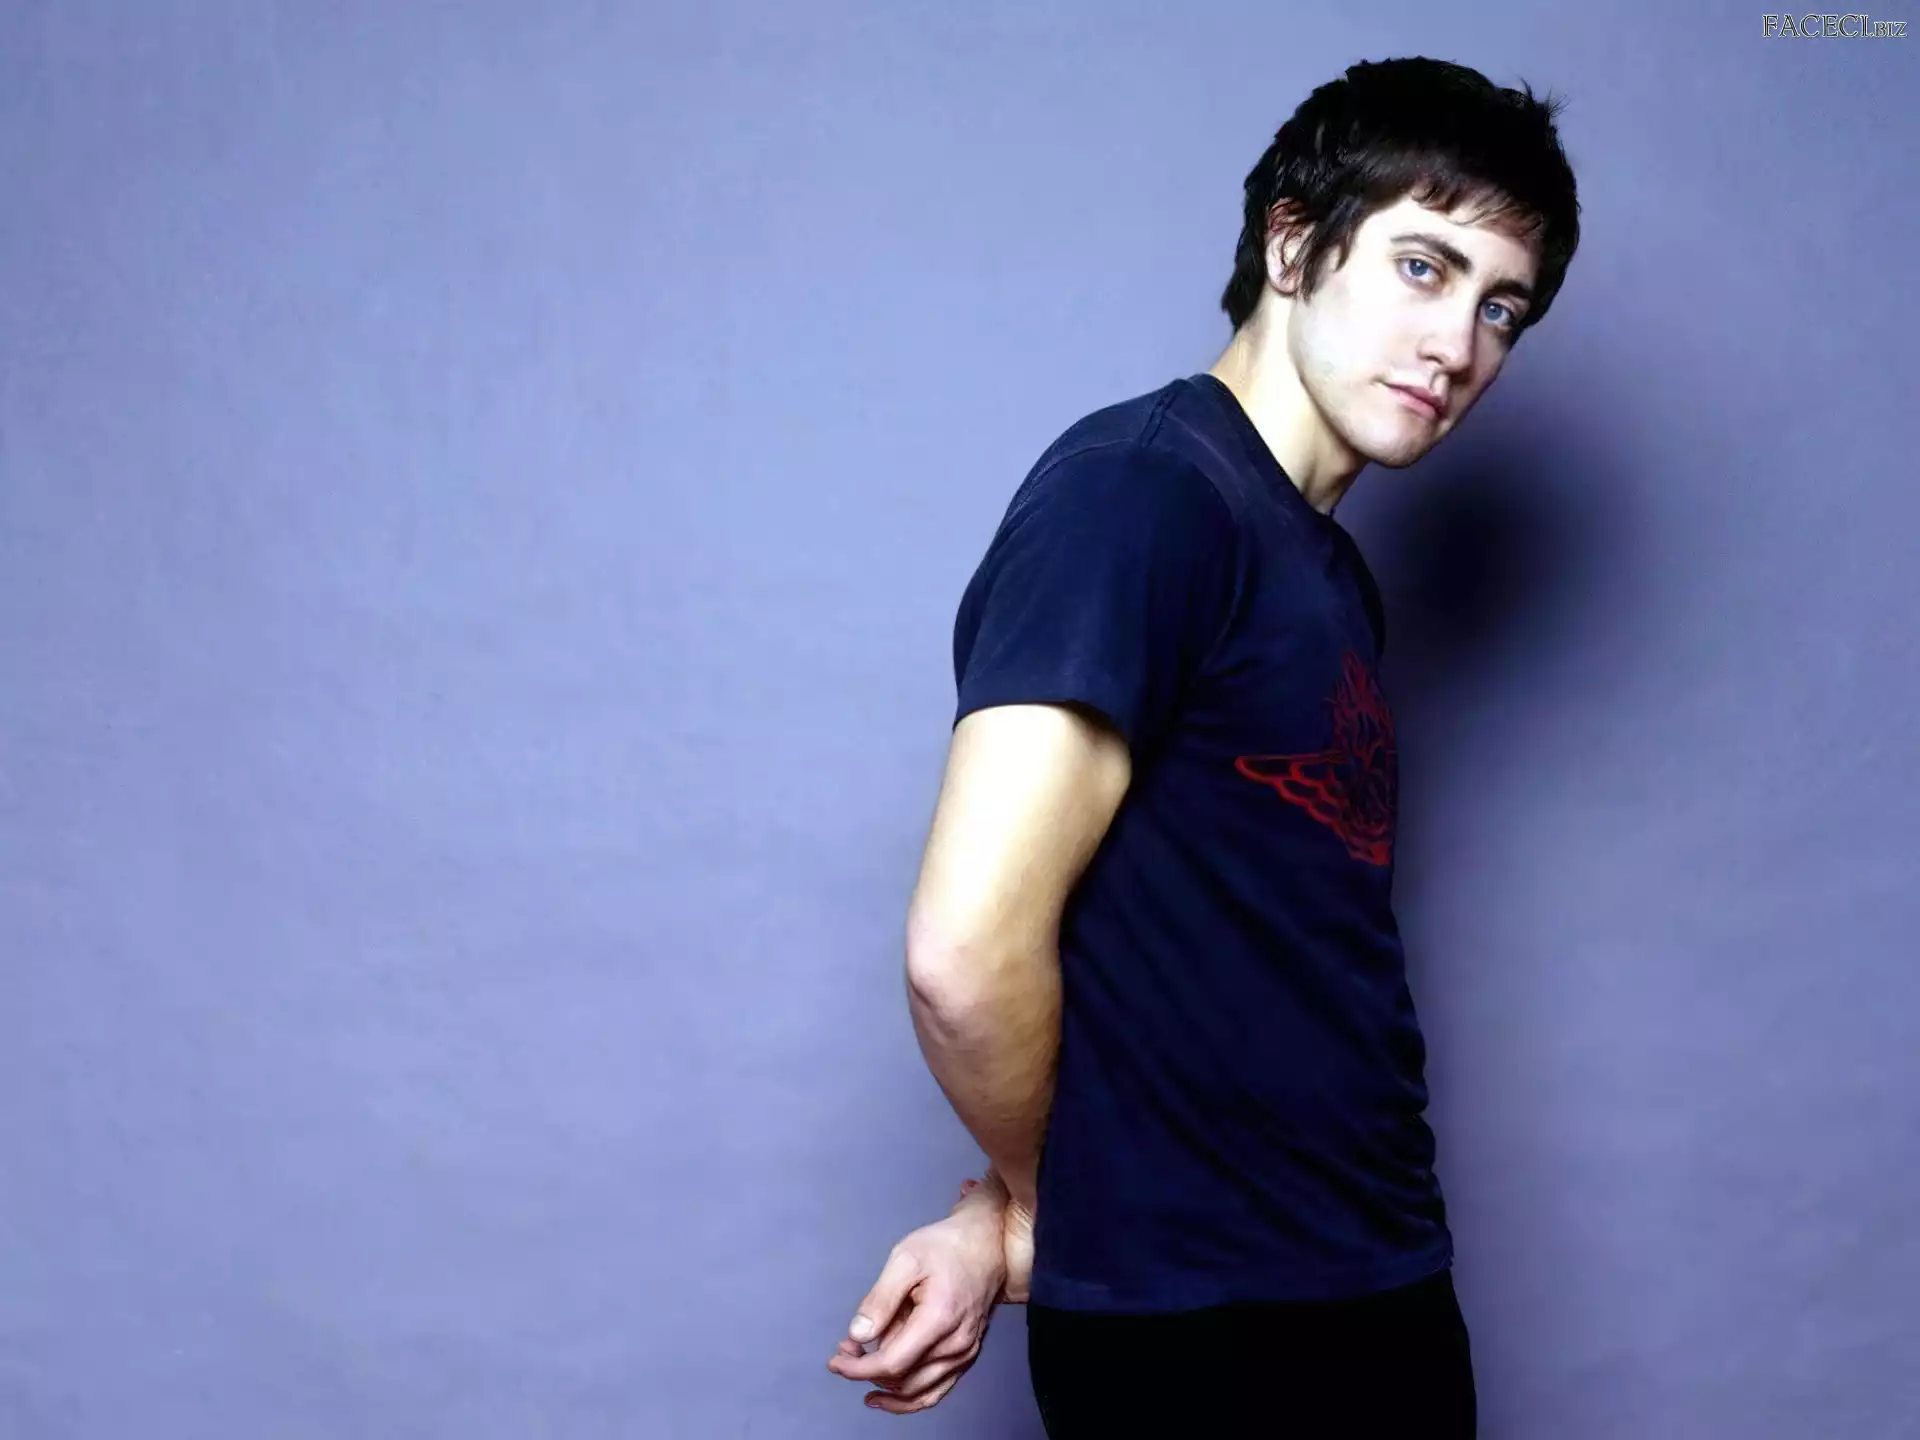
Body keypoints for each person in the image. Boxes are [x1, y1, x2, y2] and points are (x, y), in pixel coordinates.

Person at [827, 55, 1580, 1435]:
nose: (1458, 344)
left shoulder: (1326, 573)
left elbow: (1234, 966)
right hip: (1208, 1339)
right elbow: (964, 952)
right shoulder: (1141, 496)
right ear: (1293, 245)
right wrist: (1045, 1208)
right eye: (1423, 267)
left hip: (1373, 1283)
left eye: (1500, 307)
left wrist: (1007, 1209)